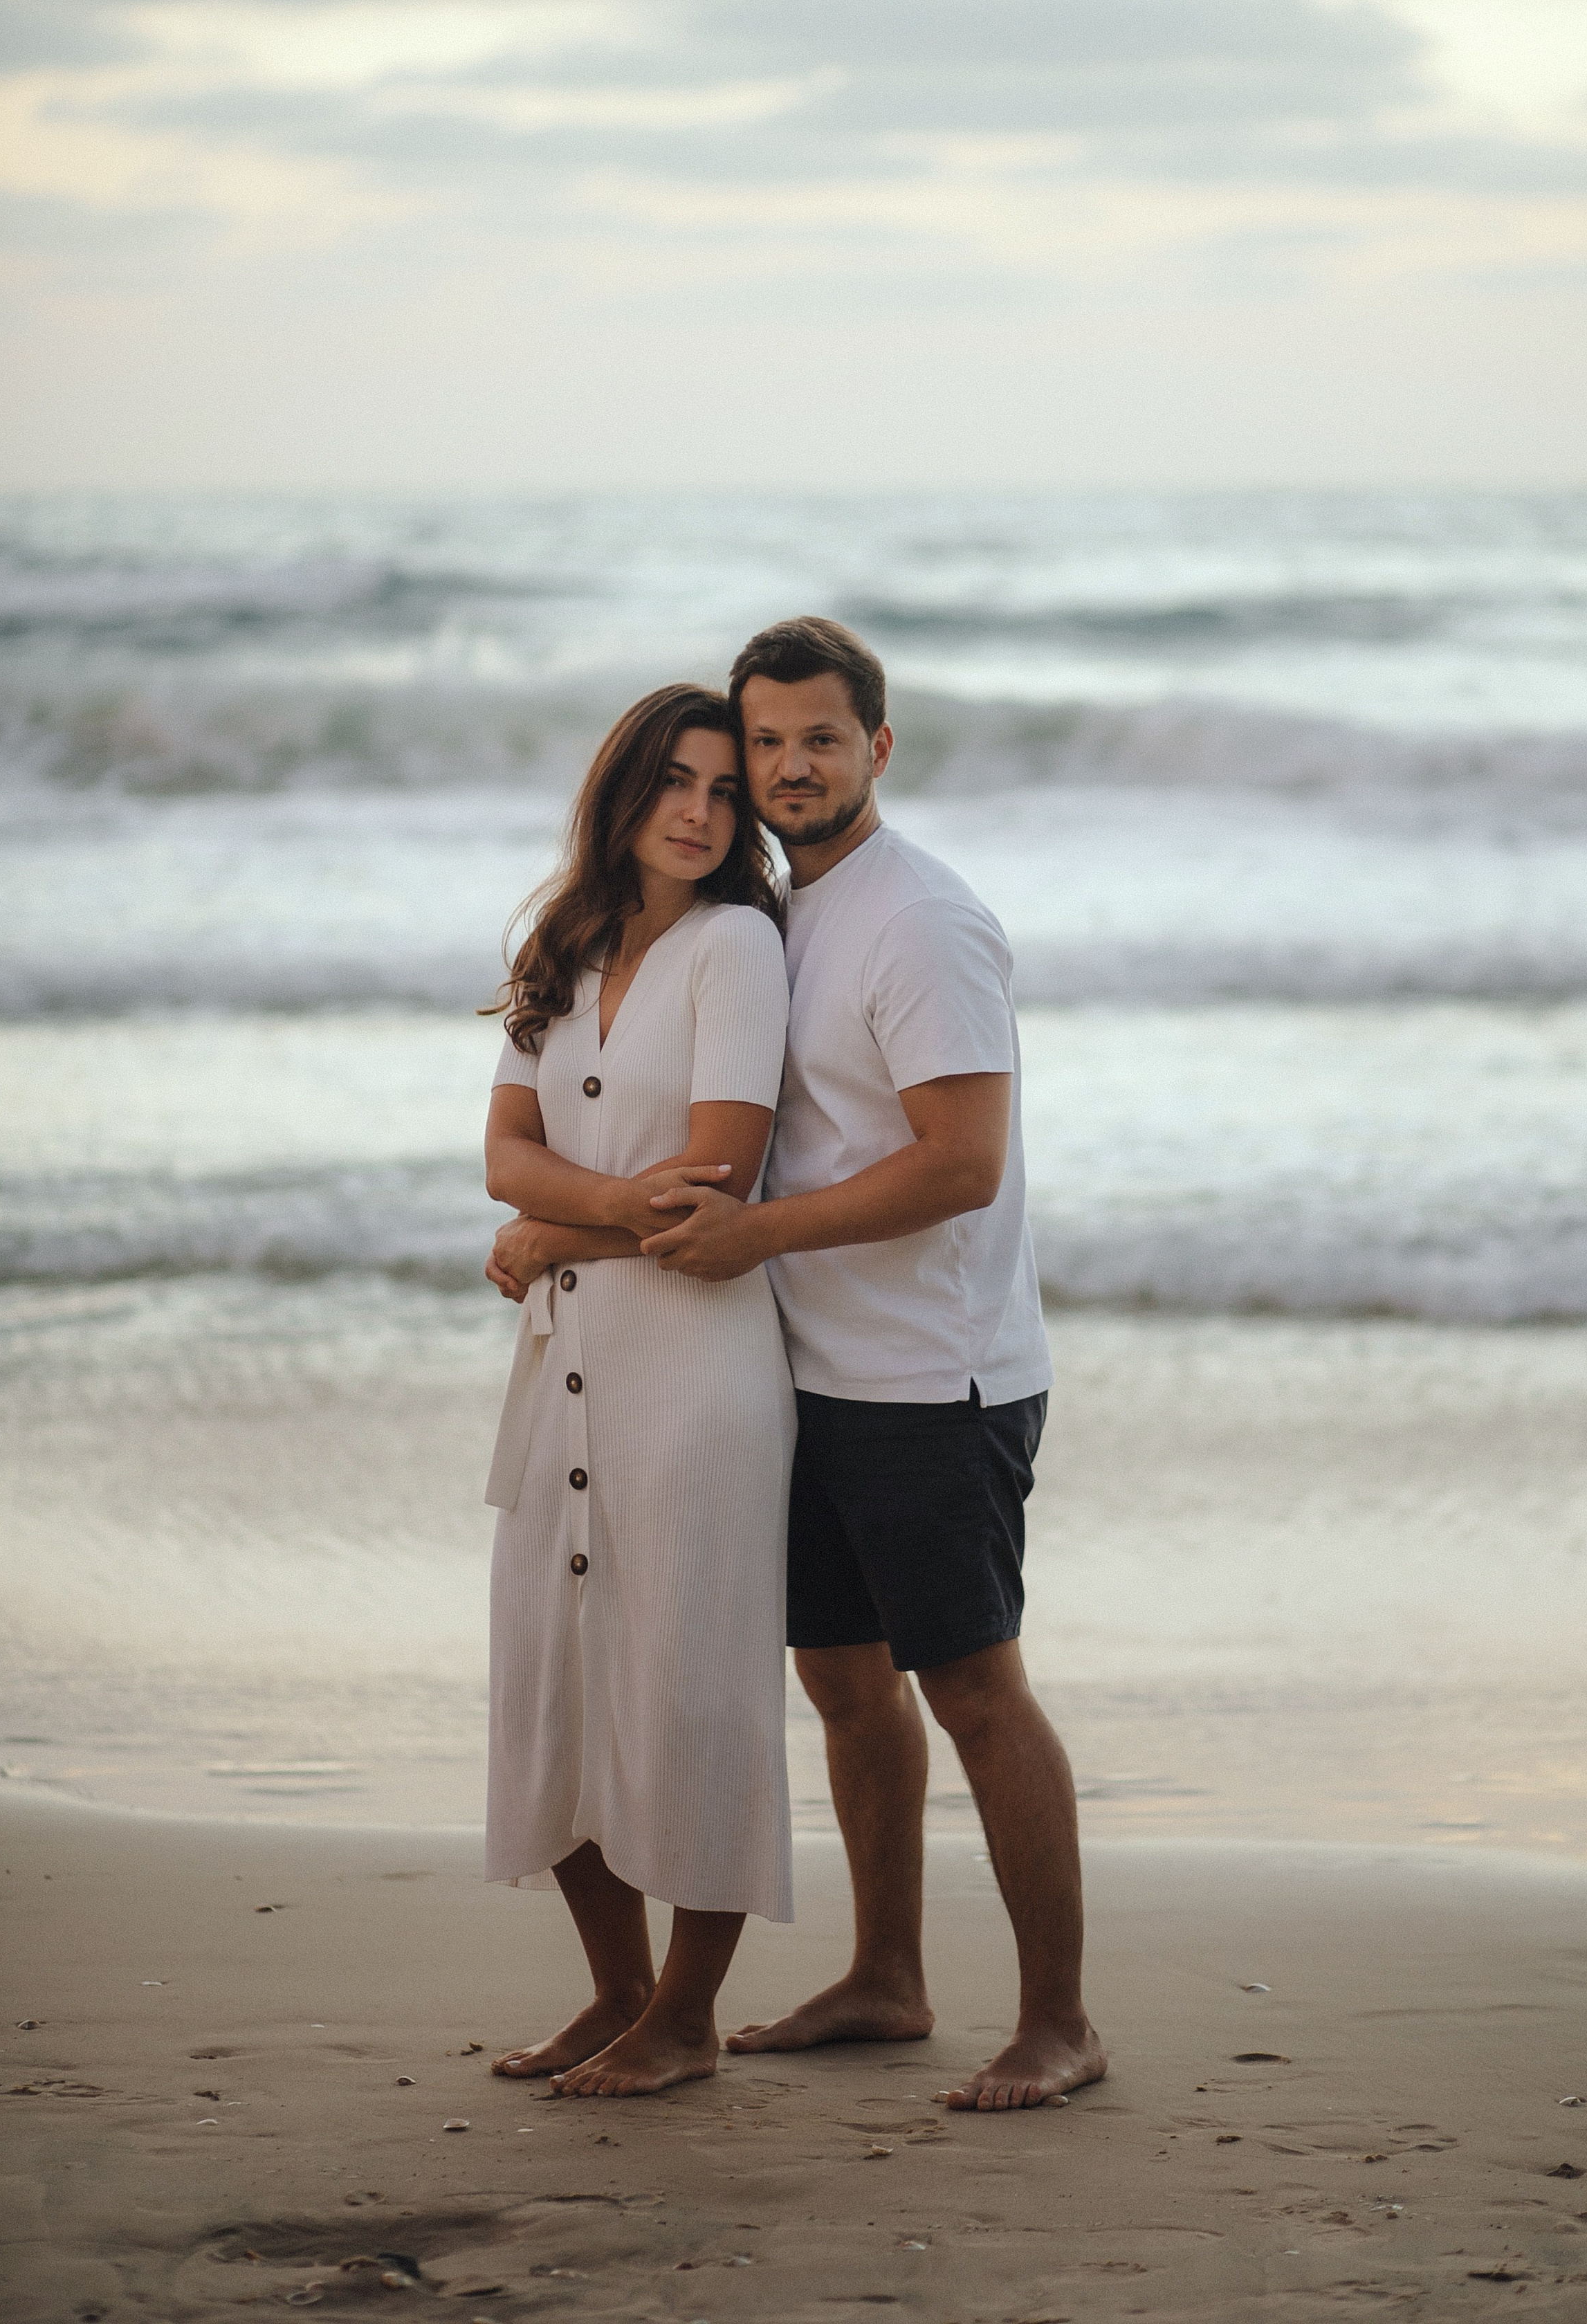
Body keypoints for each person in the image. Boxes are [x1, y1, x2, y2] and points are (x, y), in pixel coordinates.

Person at [638, 616, 1106, 2113]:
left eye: (817, 740)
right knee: (841, 1681)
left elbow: (959, 1164)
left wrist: (761, 1234)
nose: (785, 768)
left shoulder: (918, 920)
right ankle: (886, 1979)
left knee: (972, 1688)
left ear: (877, 749)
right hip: (816, 1369)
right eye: (763, 742)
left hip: (934, 1376)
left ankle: (1059, 2024)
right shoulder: (786, 912)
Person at [477, 682, 796, 2099]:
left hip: (698, 1378)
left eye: (726, 793)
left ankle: (687, 2012)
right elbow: (502, 1148)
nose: (700, 811)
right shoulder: (568, 941)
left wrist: (559, 1229)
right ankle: (614, 1990)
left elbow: (717, 1185)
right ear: (622, 790)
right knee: (557, 1674)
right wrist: (589, 1204)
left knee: (693, 1690)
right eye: (675, 780)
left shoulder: (736, 947)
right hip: (567, 1369)